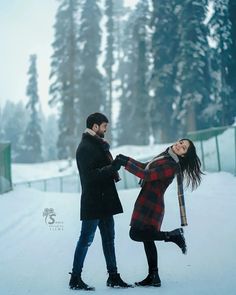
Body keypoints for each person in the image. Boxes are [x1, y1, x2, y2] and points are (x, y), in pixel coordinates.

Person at [115, 139, 203, 287]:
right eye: (181, 142)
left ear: (183, 155)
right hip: (146, 200)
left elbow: (146, 176)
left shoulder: (172, 166)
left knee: (135, 234)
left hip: (152, 204)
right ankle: (153, 276)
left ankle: (173, 235)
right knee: (147, 240)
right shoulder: (165, 156)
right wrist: (127, 159)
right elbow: (145, 168)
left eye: (184, 148)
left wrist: (125, 164)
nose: (180, 145)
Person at [69, 112, 131, 290]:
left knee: (109, 240)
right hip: (93, 201)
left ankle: (113, 277)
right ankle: (75, 278)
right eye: (104, 126)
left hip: (105, 200)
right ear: (95, 126)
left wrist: (113, 165)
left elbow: (102, 168)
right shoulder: (85, 147)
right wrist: (112, 167)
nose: (106, 130)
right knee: (86, 239)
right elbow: (88, 177)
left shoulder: (98, 145)